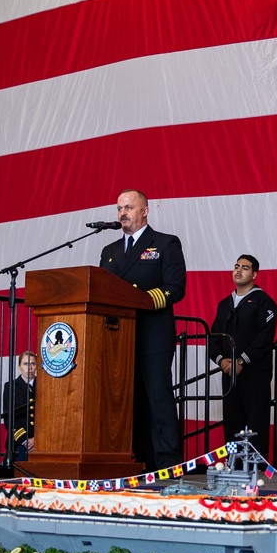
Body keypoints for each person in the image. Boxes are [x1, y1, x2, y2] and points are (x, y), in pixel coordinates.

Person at [99, 189, 187, 471]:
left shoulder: (164, 243)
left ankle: (167, 461)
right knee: (128, 399)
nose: (122, 213)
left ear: (145, 211)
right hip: (119, 337)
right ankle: (139, 459)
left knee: (157, 397)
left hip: (152, 334)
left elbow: (176, 288)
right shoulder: (109, 252)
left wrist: (140, 301)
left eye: (128, 207)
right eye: (119, 209)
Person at [209, 255, 277, 459]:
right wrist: (222, 360)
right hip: (229, 374)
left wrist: (241, 361)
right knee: (232, 421)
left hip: (254, 373)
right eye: (236, 266)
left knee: (255, 421)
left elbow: (264, 338)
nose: (239, 270)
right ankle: (234, 463)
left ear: (254, 274)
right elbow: (213, 337)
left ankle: (256, 465)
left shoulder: (264, 302)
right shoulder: (224, 304)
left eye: (245, 268)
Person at [3, 350, 37, 462]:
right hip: (18, 444)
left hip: (40, 444)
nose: (29, 368)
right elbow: (9, 419)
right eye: (25, 364)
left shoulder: (44, 385)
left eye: (32, 364)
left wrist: (37, 439)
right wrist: (25, 440)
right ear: (19, 367)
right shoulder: (10, 387)